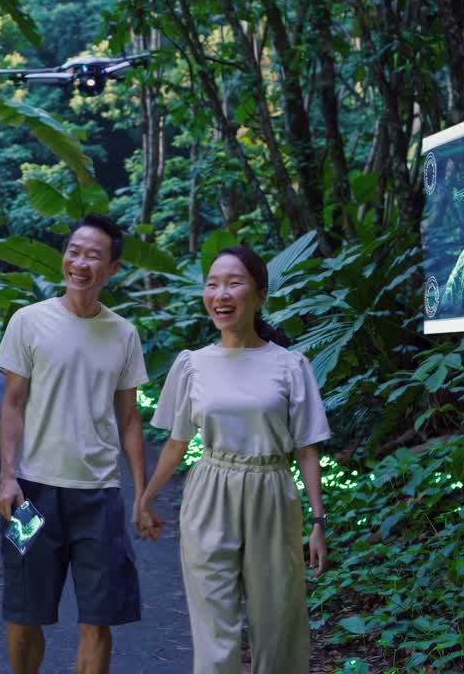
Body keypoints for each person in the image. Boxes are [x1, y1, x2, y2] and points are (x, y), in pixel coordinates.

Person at [137, 244, 330, 674]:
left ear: (260, 295)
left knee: (278, 620)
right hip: (210, 491)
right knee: (214, 628)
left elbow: (306, 448)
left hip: (271, 490)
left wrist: (318, 521)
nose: (221, 294)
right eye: (212, 284)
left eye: (234, 283)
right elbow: (177, 442)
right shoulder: (192, 365)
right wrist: (145, 499)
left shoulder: (290, 365)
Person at [0, 214, 150, 674]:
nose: (80, 263)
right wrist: (7, 477)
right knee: (23, 613)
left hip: (99, 496)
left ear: (113, 268)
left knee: (98, 620)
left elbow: (130, 419)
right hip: (30, 494)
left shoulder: (123, 333)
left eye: (94, 256)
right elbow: (12, 404)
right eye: (74, 252)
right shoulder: (28, 321)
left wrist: (140, 494)